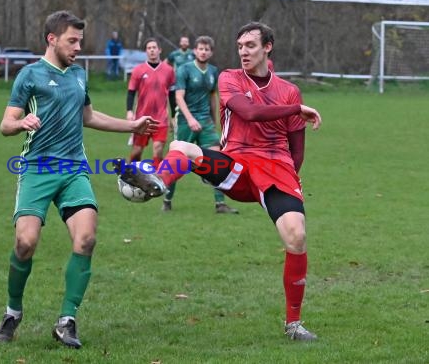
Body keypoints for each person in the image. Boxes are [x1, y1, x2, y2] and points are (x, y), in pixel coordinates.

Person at [121, 22, 322, 341]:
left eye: (250, 46)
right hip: (238, 164)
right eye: (240, 45)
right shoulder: (229, 78)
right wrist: (297, 108)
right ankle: (158, 181)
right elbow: (251, 112)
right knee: (181, 147)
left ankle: (293, 324)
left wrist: (285, 187)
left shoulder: (288, 90)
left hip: (276, 169)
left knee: (296, 236)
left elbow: (296, 152)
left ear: (267, 47)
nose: (243, 51)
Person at [0, 10, 159, 349]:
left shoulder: (79, 75)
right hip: (37, 168)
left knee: (85, 239)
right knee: (25, 244)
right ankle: (12, 312)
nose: (78, 46)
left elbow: (88, 116)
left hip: (74, 169)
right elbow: (5, 123)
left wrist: (132, 125)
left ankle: (66, 320)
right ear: (52, 39)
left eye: (80, 40)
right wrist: (21, 123)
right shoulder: (29, 75)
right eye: (72, 40)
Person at [164, 36, 238, 214]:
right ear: (195, 51)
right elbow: (179, 97)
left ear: (211, 52)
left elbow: (213, 97)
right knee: (177, 162)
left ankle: (220, 203)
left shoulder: (213, 71)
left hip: (205, 122)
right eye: (200, 49)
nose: (203, 52)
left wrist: (215, 121)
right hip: (185, 121)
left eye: (207, 49)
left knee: (218, 160)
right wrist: (190, 119)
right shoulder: (184, 70)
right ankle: (167, 200)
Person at [126, 38, 176, 167]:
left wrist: (173, 116)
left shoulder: (169, 70)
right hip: (142, 119)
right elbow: (131, 92)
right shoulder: (138, 70)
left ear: (159, 50)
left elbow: (172, 94)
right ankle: (130, 175)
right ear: (146, 51)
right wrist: (129, 111)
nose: (152, 50)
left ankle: (155, 180)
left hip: (161, 119)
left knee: (158, 149)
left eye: (154, 47)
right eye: (149, 48)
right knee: (137, 151)